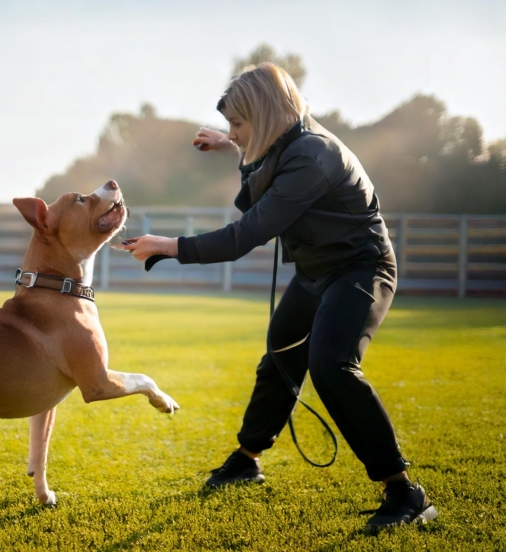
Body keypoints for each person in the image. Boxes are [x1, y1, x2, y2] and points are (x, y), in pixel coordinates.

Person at [122, 63, 437, 531]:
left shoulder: (312, 155)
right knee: (280, 357)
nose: (233, 132)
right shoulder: (291, 141)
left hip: (360, 269)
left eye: (239, 124)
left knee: (332, 366)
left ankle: (406, 493)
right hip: (315, 273)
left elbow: (248, 230)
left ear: (265, 116)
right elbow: (263, 173)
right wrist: (234, 142)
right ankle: (247, 460)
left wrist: (171, 247)